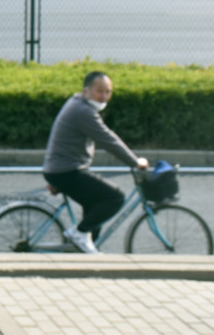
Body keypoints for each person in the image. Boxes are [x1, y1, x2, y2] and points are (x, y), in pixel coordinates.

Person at [43, 71, 148, 254]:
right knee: (114, 197)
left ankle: (83, 249)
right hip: (66, 171)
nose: (104, 96)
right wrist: (134, 161)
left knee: (95, 206)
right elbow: (108, 140)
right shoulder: (83, 111)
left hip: (61, 170)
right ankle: (79, 233)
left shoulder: (77, 103)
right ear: (86, 90)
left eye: (108, 92)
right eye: (100, 91)